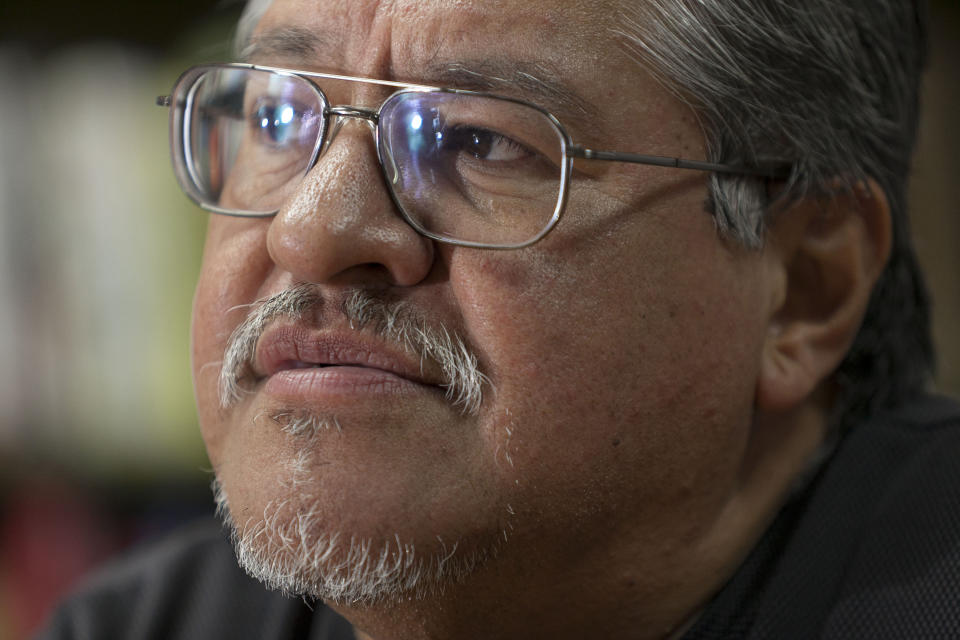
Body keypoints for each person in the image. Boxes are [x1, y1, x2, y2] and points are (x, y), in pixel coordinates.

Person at [40, 0, 960, 638]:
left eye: (476, 139)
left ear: (802, 289)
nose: (311, 231)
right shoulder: (143, 624)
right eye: (279, 119)